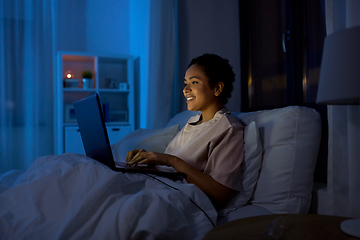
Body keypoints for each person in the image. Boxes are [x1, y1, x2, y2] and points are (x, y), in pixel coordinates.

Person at [126, 53, 244, 209]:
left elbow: (222, 194)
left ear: (217, 88)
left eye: (194, 82)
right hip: (159, 185)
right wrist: (149, 160)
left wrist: (171, 160)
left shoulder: (229, 128)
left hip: (180, 199)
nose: (185, 90)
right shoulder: (193, 121)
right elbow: (171, 165)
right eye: (185, 83)